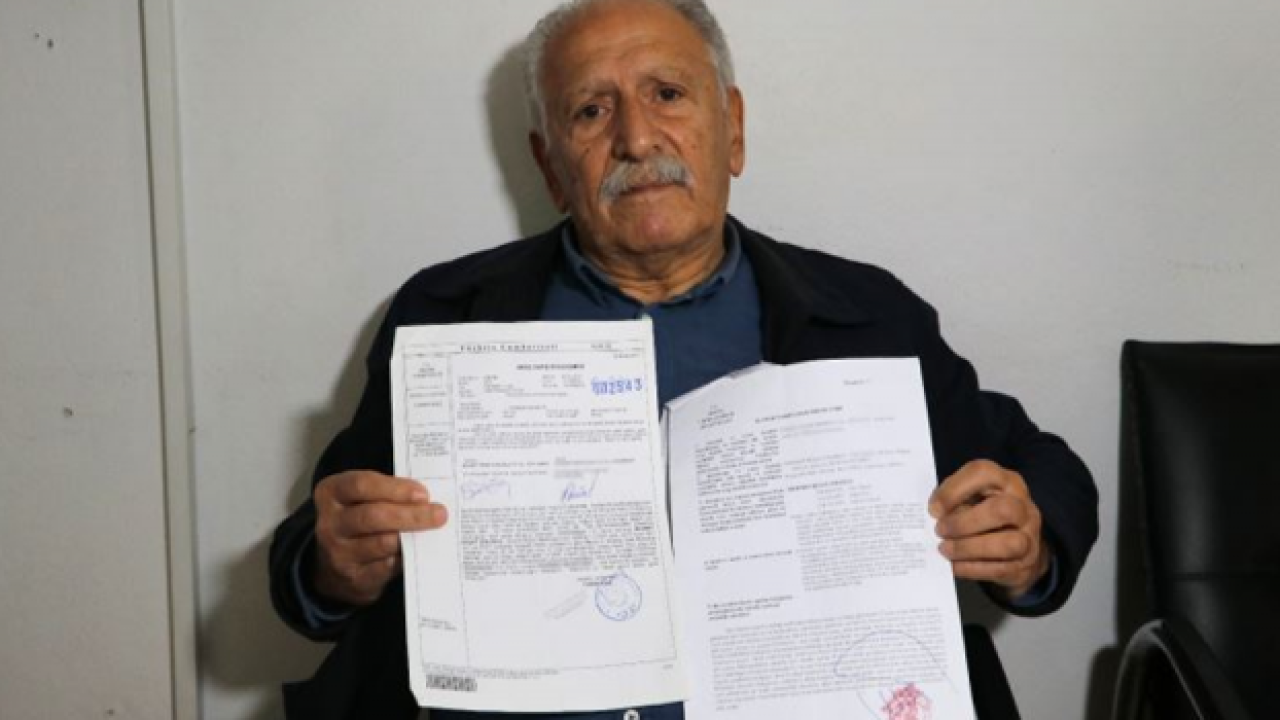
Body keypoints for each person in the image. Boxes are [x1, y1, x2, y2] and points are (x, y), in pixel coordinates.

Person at [269, 1, 1099, 718]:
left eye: (667, 94)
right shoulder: (446, 318)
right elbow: (319, 544)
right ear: (550, 166)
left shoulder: (866, 315)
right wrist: (332, 566)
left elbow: (1042, 467)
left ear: (732, 128)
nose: (636, 139)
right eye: (590, 111)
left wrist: (1025, 539)